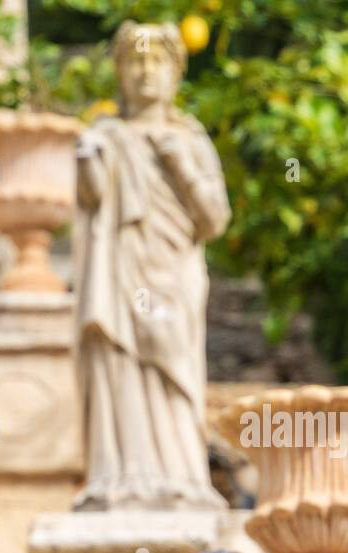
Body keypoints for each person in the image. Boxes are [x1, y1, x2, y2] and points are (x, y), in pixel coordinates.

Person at [72, 21, 230, 510]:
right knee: (120, 361)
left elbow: (215, 219)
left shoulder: (190, 137)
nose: (145, 73)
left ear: (175, 73)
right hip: (120, 268)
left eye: (156, 62)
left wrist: (181, 165)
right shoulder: (106, 134)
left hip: (173, 273)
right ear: (119, 73)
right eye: (134, 62)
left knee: (175, 369)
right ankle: (118, 475)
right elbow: (91, 197)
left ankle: (179, 476)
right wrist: (87, 163)